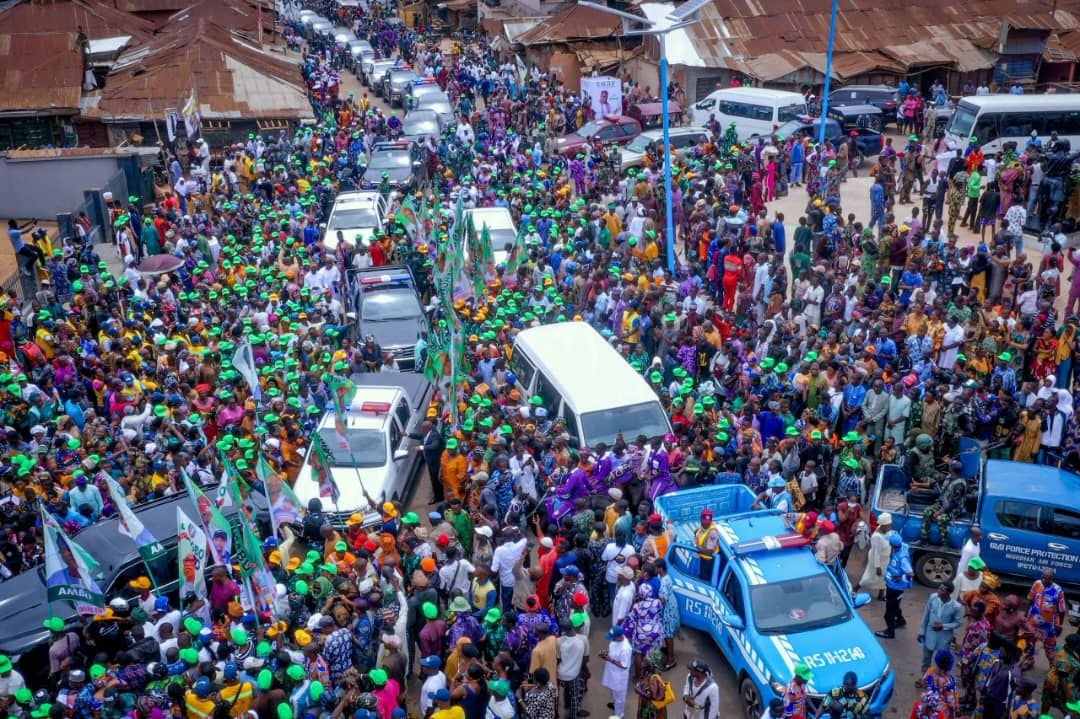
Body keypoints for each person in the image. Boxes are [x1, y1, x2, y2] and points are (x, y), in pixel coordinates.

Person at [918, 581, 963, 675]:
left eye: (942, 590)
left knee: (942, 661)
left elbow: (958, 623)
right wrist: (921, 631)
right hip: (930, 634)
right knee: (926, 659)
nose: (938, 591)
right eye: (939, 588)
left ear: (949, 593)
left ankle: (940, 681)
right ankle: (924, 677)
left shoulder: (956, 607)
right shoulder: (933, 597)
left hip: (944, 638)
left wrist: (943, 626)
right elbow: (926, 615)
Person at [876, 531, 913, 639]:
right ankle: (900, 621)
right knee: (895, 605)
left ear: (892, 545)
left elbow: (910, 573)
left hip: (895, 588)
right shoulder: (902, 547)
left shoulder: (902, 557)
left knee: (889, 612)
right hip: (893, 586)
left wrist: (900, 578)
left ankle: (890, 631)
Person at [1027, 568, 1067, 665]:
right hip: (1033, 620)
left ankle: (1053, 666)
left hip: (1048, 625)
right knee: (1029, 642)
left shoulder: (1058, 591)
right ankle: (1029, 661)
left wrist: (1060, 625)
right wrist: (1025, 615)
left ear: (1052, 579)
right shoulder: (1037, 584)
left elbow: (1062, 610)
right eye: (1043, 577)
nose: (1044, 580)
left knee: (1050, 646)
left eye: (1047, 578)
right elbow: (1030, 599)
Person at [855, 512, 891, 600]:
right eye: (888, 525)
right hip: (877, 560)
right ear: (883, 525)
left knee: (883, 577)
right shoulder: (876, 536)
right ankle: (855, 588)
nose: (890, 527)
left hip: (885, 559)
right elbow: (876, 552)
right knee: (869, 577)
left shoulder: (885, 531)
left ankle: (881, 595)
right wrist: (877, 567)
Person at [601, 625, 632, 716]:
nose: (611, 639)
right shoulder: (615, 640)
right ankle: (615, 705)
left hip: (619, 677)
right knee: (613, 692)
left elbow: (624, 665)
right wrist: (606, 653)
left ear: (619, 637)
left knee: (619, 698)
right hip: (611, 672)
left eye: (613, 637)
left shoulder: (626, 648)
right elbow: (612, 648)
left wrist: (610, 659)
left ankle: (619, 714)